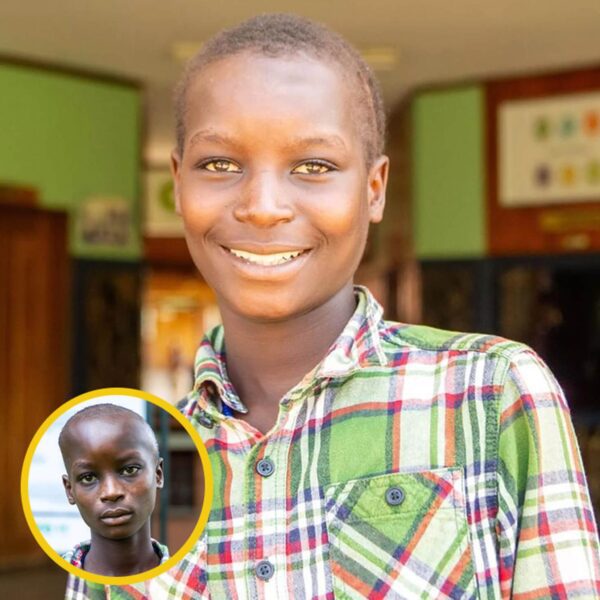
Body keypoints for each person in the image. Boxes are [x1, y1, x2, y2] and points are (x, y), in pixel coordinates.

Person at [70, 13, 600, 599]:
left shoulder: (490, 391)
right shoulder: (125, 474)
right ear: (179, 182)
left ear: (373, 190)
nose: (263, 207)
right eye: (219, 164)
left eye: (314, 166)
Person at [59, 403, 167, 582]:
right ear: (70, 490)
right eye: (88, 478)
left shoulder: (201, 583)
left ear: (158, 474)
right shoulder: (43, 585)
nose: (111, 492)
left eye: (130, 470)